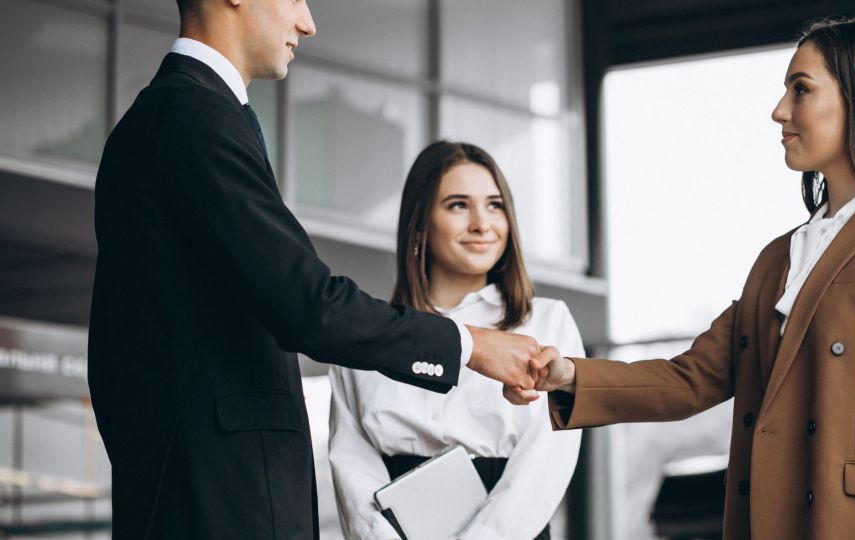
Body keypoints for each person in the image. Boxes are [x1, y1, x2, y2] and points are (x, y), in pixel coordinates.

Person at [510, 15, 855, 539]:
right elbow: (691, 378)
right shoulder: (778, 258)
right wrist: (570, 376)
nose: (779, 110)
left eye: (800, 90)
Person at [87, 1, 542, 538]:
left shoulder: (180, 116)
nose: (307, 22)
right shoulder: (192, 117)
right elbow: (310, 306)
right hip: (218, 503)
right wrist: (471, 346)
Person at [329, 141, 584, 540]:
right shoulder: (368, 331)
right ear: (420, 224)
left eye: (495, 205)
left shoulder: (548, 322)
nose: (483, 224)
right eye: (458, 205)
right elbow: (350, 460)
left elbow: (547, 463)